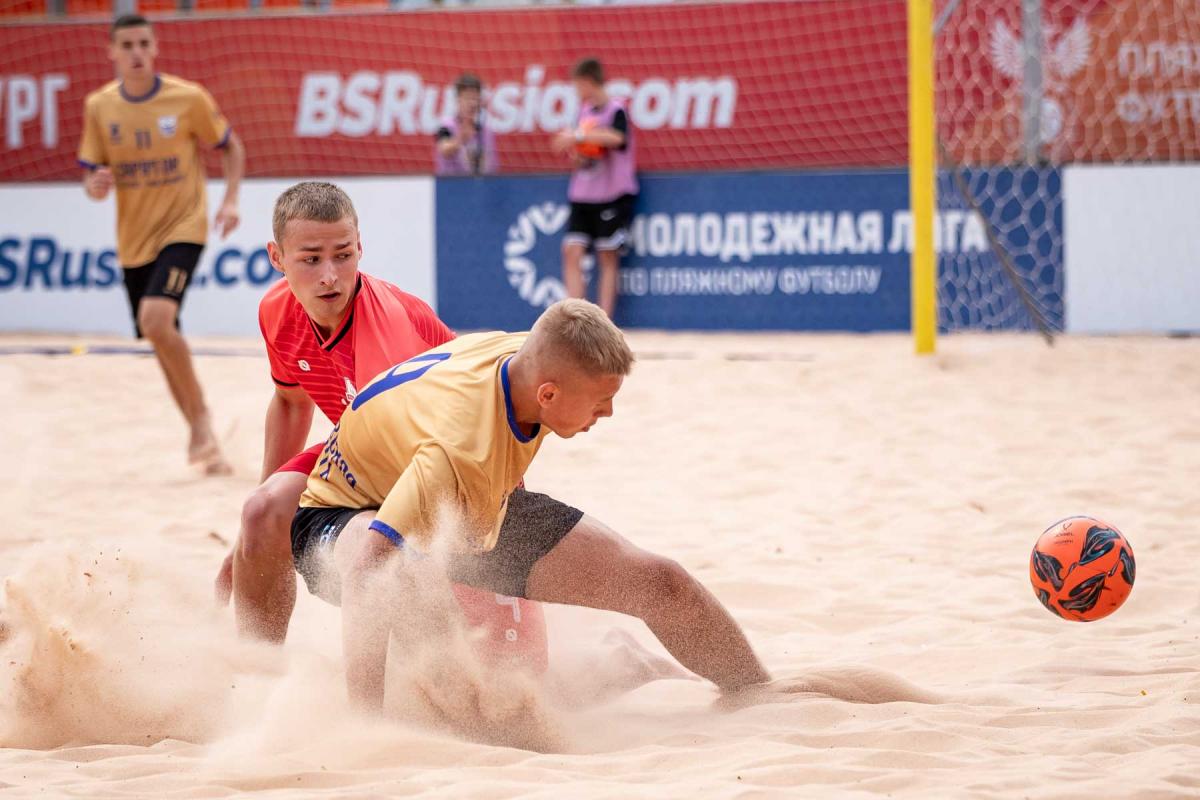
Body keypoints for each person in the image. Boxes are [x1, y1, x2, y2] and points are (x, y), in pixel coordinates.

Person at [291, 299, 770, 711]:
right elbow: (369, 570)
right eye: (601, 401)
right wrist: (366, 729)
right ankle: (374, 715)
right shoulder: (459, 449)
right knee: (463, 687)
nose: (608, 412)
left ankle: (757, 691)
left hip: (466, 499)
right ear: (549, 394)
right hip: (341, 514)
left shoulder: (530, 356)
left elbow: (562, 333)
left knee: (660, 583)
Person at [212, 181, 548, 667]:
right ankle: (255, 674)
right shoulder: (276, 310)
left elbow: (426, 469)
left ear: (360, 248)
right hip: (375, 454)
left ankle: (623, 661)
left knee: (515, 681)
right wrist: (253, 543)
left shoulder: (385, 335)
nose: (330, 275)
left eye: (343, 255)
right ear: (277, 257)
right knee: (262, 513)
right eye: (311, 260)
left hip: (469, 479)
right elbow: (290, 403)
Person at [78, 14, 245, 475]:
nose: (135, 52)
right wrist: (95, 185)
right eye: (126, 44)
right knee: (158, 334)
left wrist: (231, 200)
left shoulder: (187, 98)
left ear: (155, 48)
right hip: (134, 239)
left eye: (142, 43)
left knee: (155, 319)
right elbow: (91, 175)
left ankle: (201, 421)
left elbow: (232, 147)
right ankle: (202, 432)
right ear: (111, 52)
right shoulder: (100, 106)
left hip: (183, 225)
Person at [552, 58, 638, 319]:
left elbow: (617, 138)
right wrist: (577, 153)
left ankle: (604, 322)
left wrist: (580, 137)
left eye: (578, 85)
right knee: (571, 251)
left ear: (589, 82)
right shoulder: (583, 112)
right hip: (583, 194)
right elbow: (583, 151)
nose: (577, 91)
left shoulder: (617, 109)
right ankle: (576, 320)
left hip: (611, 195)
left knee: (607, 255)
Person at [434, 73, 497, 176]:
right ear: (458, 100)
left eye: (475, 98)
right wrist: (461, 139)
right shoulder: (446, 126)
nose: (472, 104)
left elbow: (491, 166)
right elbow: (444, 149)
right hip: (450, 183)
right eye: (467, 98)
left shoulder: (486, 131)